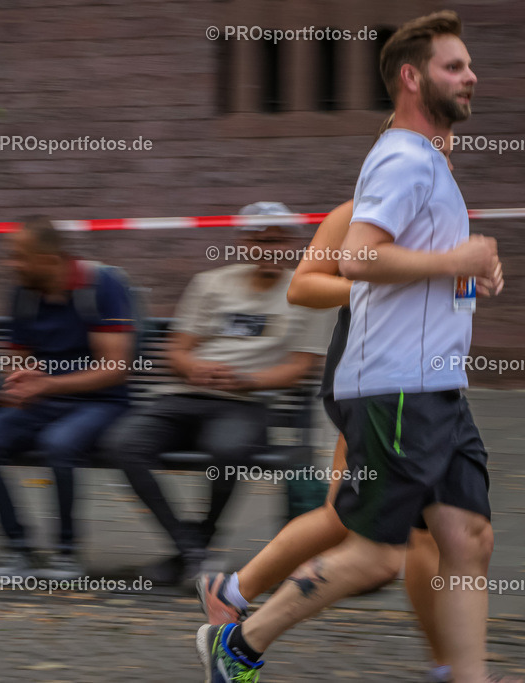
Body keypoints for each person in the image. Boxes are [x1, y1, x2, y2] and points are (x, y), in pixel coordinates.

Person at [198, 12, 517, 682]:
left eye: (469, 65)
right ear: (412, 77)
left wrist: (468, 269)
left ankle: (464, 674)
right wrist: (450, 259)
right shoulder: (401, 159)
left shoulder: (431, 167)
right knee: (373, 551)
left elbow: (416, 265)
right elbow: (358, 262)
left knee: (468, 538)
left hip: (436, 385)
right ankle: (239, 637)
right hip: (394, 385)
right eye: (453, 66)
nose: (471, 77)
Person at [196, 123, 454, 683]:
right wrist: (387, 287)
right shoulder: (358, 211)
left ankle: (232, 592)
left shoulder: (439, 219)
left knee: (347, 517)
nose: (444, 155)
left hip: (418, 384)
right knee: (410, 535)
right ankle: (447, 668)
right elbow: (304, 286)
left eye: (446, 146)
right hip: (372, 379)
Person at [102, 202, 325, 584]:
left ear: (293, 243)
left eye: (278, 240)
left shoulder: (309, 292)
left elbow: (302, 367)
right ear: (242, 243)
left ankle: (198, 542)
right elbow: (176, 349)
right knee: (122, 443)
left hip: (246, 403)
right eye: (259, 241)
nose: (269, 249)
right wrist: (193, 367)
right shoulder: (211, 282)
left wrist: (249, 381)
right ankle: (190, 548)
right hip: (183, 396)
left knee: (227, 451)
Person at [0, 216, 134, 579]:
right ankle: (17, 549)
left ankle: (66, 553)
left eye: (20, 256)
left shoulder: (101, 286)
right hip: (46, 398)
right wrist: (19, 378)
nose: (12, 264)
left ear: (50, 258)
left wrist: (48, 385)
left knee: (60, 443)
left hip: (101, 401)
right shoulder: (23, 292)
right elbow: (16, 353)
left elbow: (115, 368)